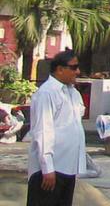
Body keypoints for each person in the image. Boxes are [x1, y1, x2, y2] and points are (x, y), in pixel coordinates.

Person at [26, 49, 87, 206]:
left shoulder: (74, 93)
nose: (77, 72)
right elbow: (43, 131)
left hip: (68, 168)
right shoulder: (47, 93)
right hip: (50, 169)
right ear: (60, 69)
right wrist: (47, 168)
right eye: (73, 68)